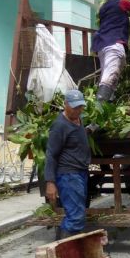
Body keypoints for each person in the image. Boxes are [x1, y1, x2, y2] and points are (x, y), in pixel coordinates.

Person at [44, 89, 91, 240]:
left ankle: (68, 251)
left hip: (80, 173)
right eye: (74, 107)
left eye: (80, 107)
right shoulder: (59, 126)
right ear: (65, 104)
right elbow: (51, 154)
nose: (78, 110)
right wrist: (50, 182)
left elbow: (78, 135)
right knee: (75, 216)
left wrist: (90, 130)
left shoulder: (78, 119)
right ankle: (63, 252)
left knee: (78, 213)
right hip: (68, 175)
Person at [91, 0, 130, 103]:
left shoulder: (103, 8)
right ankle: (96, 114)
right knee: (109, 78)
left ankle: (108, 110)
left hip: (102, 46)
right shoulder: (121, 2)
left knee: (109, 78)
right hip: (114, 44)